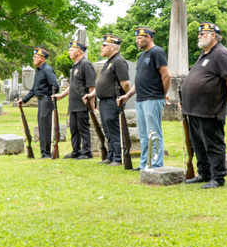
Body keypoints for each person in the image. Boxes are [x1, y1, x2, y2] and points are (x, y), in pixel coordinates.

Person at [181, 22, 227, 189]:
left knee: (212, 143)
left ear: (213, 35)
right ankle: (205, 173)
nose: (199, 36)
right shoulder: (204, 54)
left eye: (203, 33)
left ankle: (218, 177)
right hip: (194, 108)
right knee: (197, 143)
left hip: (210, 108)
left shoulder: (221, 53)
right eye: (199, 34)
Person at [118, 27, 170, 171]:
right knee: (143, 136)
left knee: (154, 133)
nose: (136, 41)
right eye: (136, 38)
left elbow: (166, 75)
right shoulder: (142, 56)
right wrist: (127, 95)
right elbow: (138, 81)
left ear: (148, 37)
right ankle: (144, 164)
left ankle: (157, 164)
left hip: (153, 98)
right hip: (140, 99)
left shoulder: (157, 52)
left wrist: (163, 94)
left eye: (139, 38)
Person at [83, 34, 130, 167]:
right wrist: (91, 95)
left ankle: (119, 157)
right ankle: (111, 155)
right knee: (108, 130)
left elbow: (125, 83)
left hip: (113, 101)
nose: (101, 47)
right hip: (104, 102)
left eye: (104, 45)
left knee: (114, 129)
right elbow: (102, 84)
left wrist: (124, 97)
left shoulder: (119, 61)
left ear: (113, 47)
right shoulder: (109, 61)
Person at [53, 41, 96, 160]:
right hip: (73, 103)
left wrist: (91, 102)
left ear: (79, 51)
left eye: (71, 50)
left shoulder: (86, 64)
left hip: (83, 103)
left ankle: (86, 152)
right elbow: (72, 85)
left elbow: (92, 86)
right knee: (74, 129)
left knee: (83, 128)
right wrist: (61, 96)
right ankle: (76, 151)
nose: (69, 52)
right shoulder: (75, 65)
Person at [17, 47, 60, 159]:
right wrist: (24, 99)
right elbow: (34, 89)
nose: (33, 58)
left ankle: (47, 153)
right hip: (41, 100)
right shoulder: (39, 71)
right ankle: (43, 152)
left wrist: (52, 97)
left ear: (42, 58)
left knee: (46, 126)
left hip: (46, 100)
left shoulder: (47, 70)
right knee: (42, 126)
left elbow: (55, 86)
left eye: (35, 57)